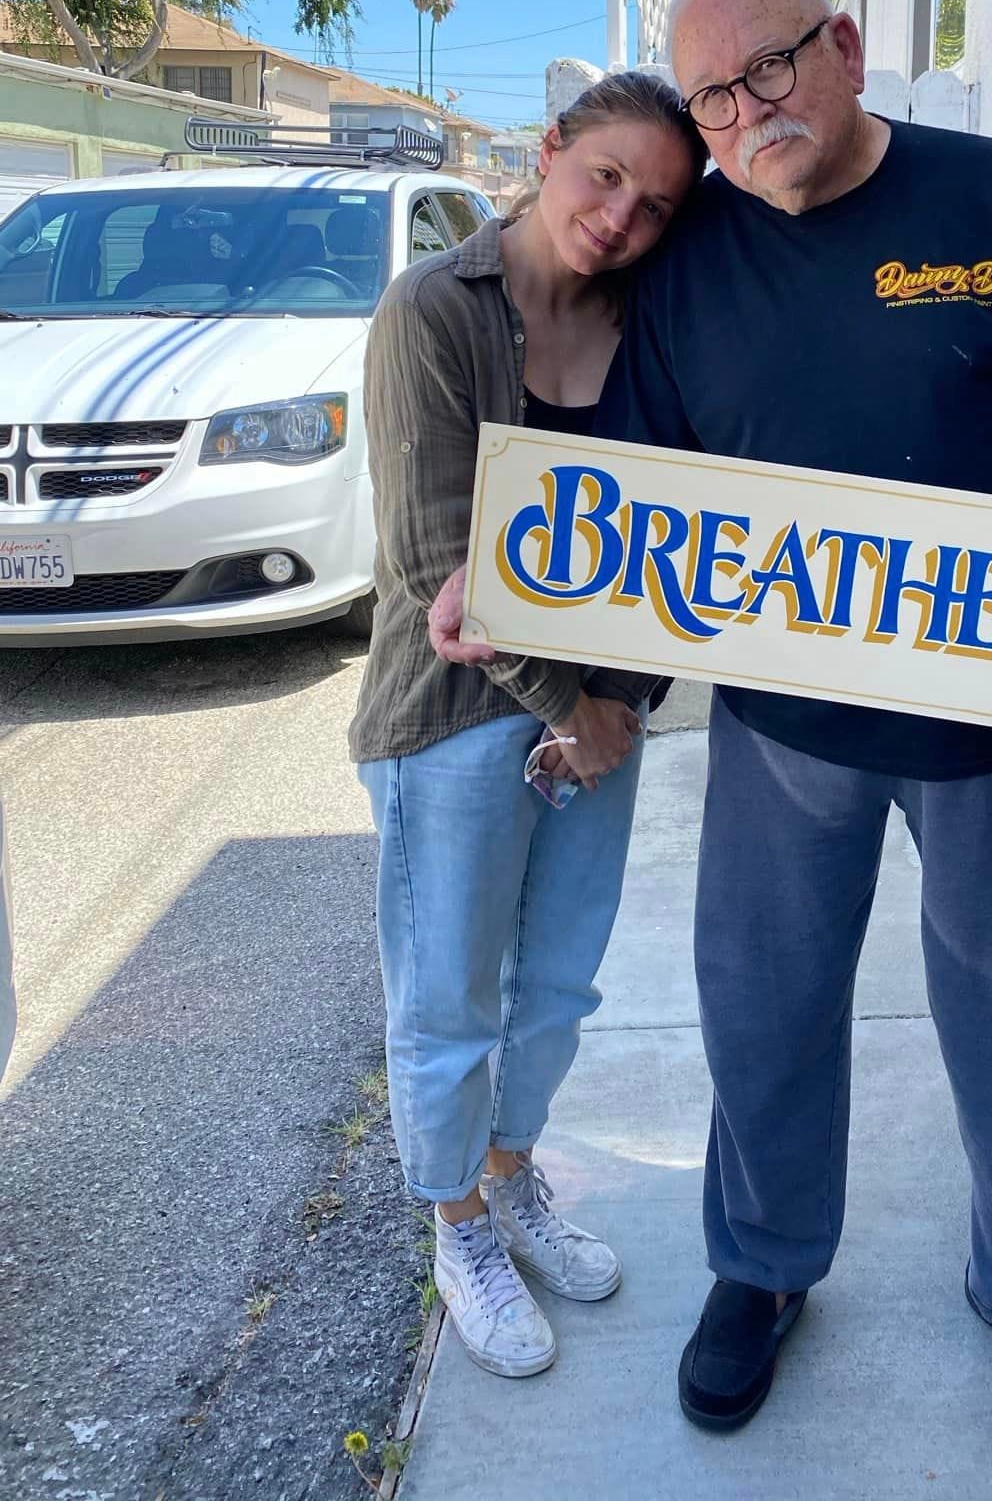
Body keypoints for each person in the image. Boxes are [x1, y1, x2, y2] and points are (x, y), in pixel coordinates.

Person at [599, 0, 992, 1430]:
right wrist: (511, 579)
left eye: (769, 69)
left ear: (843, 44)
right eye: (713, 98)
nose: (746, 114)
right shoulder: (689, 258)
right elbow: (637, 495)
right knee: (764, 1006)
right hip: (784, 724)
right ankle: (765, 1264)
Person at [349, 70, 705, 1380]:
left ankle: (509, 1179)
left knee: (554, 988)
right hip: (453, 718)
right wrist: (572, 708)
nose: (619, 216)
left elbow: (686, 526)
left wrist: (622, 704)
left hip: (602, 713)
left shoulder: (648, 319)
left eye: (655, 204)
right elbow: (432, 551)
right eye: (603, 175)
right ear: (551, 151)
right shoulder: (432, 311)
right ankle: (458, 1230)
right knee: (450, 999)